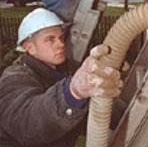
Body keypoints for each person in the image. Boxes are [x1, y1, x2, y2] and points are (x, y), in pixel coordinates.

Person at [0, 8, 123, 147]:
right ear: (30, 47)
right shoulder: (14, 77)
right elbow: (28, 124)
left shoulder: (67, 68)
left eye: (60, 37)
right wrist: (71, 93)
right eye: (50, 39)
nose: (60, 44)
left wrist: (109, 66)